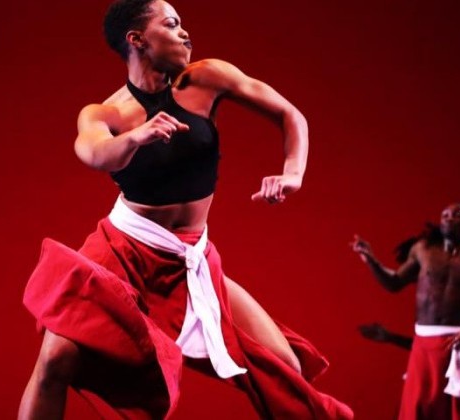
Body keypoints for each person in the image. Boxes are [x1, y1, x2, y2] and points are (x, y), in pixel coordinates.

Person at [18, 1, 353, 418]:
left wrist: (293, 173)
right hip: (123, 254)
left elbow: (290, 115)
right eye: (171, 24)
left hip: (191, 257)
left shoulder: (206, 78)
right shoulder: (107, 112)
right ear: (137, 39)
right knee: (56, 359)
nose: (185, 33)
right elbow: (94, 152)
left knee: (285, 367)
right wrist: (136, 137)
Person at [351, 203, 460, 420]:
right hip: (424, 345)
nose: (449, 218)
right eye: (445, 215)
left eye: (458, 215)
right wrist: (371, 261)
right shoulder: (423, 250)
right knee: (418, 408)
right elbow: (394, 283)